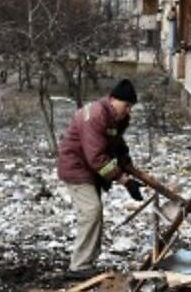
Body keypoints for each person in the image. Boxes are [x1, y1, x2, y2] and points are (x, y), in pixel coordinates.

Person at [57, 79, 144, 271]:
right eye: (126, 105)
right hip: (76, 167)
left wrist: (125, 158)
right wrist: (124, 180)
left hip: (90, 168)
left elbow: (115, 141)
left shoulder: (117, 117)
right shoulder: (96, 116)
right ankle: (79, 266)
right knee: (91, 211)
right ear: (113, 99)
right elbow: (96, 159)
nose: (128, 110)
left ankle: (88, 262)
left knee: (94, 214)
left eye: (131, 106)